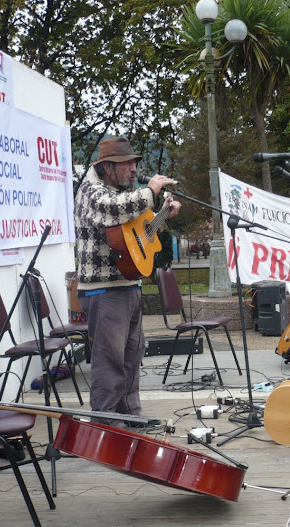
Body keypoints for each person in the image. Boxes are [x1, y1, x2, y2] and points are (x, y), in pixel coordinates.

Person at [75, 136, 180, 426]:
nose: (134, 170)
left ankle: (130, 418)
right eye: (128, 164)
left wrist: (162, 215)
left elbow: (139, 234)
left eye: (135, 163)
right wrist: (151, 190)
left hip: (127, 286)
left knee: (132, 357)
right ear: (108, 166)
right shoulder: (92, 191)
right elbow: (115, 208)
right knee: (109, 362)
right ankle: (106, 425)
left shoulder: (123, 192)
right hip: (102, 289)